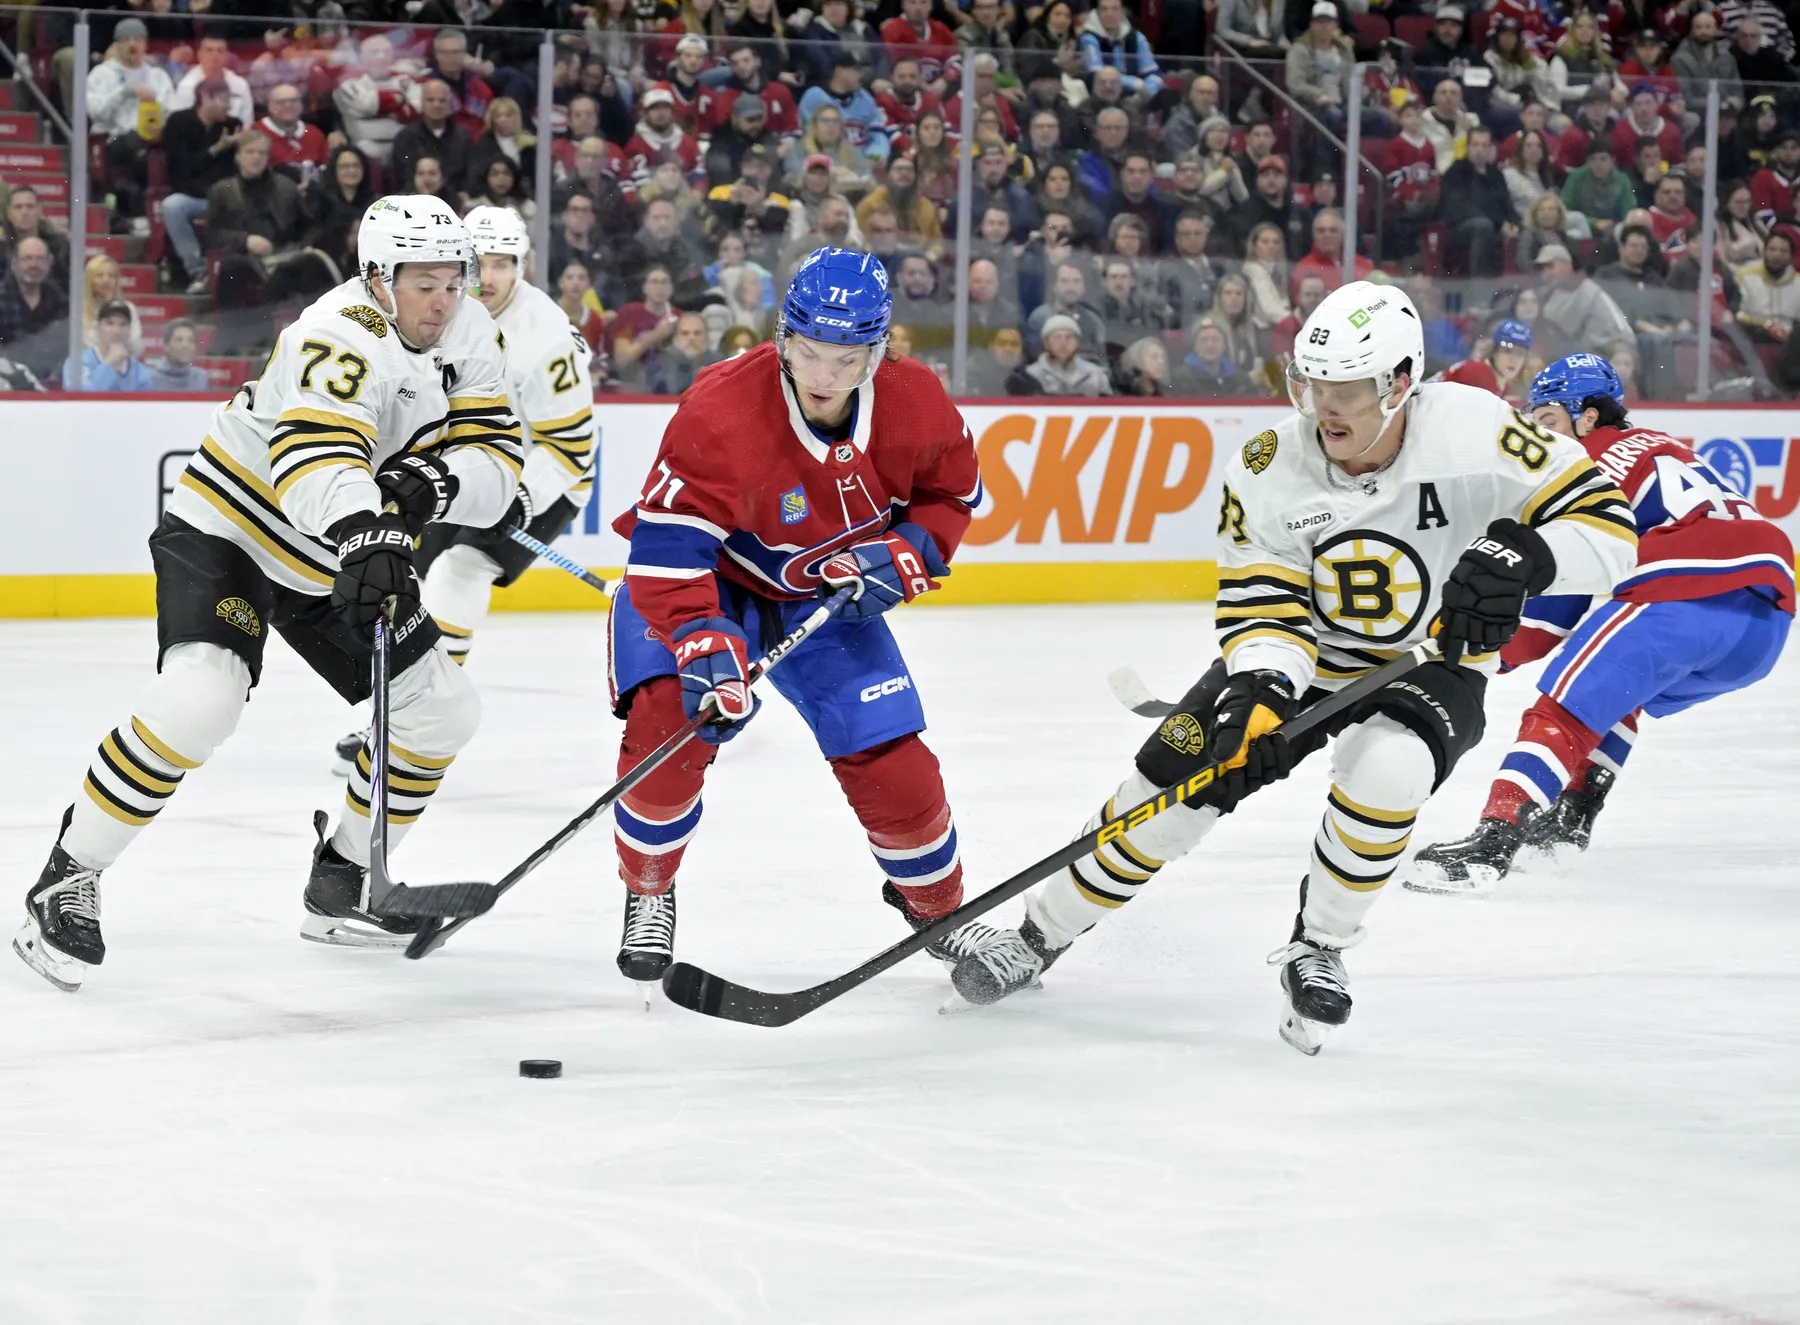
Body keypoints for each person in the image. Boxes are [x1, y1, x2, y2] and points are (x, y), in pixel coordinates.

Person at [949, 283, 1639, 1057]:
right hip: (1303, 654)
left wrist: (1529, 554)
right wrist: (1259, 692)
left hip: (1430, 662)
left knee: (1391, 773)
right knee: (1169, 789)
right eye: (1312, 386)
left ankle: (1322, 945)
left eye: (1345, 390)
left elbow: (1609, 525)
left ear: (1400, 383)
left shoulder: (1477, 430)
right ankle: (1041, 934)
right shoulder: (1268, 462)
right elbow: (1262, 599)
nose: (1323, 408)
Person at [13, 197, 525, 989]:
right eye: (425, 281)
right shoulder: (337, 332)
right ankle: (67, 874)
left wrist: (436, 479)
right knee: (202, 697)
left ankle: (343, 882)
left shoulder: (471, 333)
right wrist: (367, 528)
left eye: (454, 279)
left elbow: (499, 465)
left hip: (334, 555)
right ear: (378, 277)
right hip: (234, 529)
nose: (444, 298)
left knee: (443, 705)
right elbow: (313, 456)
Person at [603, 246, 1001, 986]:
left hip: (825, 597)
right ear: (784, 336)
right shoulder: (722, 409)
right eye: (808, 352)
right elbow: (667, 556)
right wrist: (699, 638)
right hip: (710, 588)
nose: (822, 377)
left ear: (877, 352)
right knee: (668, 726)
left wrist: (913, 547)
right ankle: (649, 888)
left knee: (896, 769)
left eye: (846, 360)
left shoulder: (915, 401)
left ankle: (938, 908)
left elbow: (954, 497)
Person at [1403, 355, 1792, 895]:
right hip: (1766, 620)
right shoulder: (1661, 444)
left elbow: (1556, 609)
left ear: (1587, 418)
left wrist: (1476, 652)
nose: (1540, 435)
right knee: (1615, 689)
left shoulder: (1583, 465)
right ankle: (1568, 824)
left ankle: (1493, 842)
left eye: (1548, 420)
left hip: (1686, 590)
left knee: (1562, 706)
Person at [404, 207, 597, 677]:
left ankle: (431, 700)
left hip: (545, 479)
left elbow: (571, 448)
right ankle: (399, 697)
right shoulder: (440, 310)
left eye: (502, 263)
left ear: (521, 266)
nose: (487, 277)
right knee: (409, 572)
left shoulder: (545, 339)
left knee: (460, 570)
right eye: (477, 262)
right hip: (471, 465)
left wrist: (523, 500)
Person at [162, 78, 247, 293]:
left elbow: (233, 172)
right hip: (191, 195)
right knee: (172, 206)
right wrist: (217, 148)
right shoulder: (178, 122)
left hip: (223, 195)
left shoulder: (232, 125)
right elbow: (179, 169)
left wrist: (241, 149)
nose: (227, 106)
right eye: (223, 100)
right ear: (205, 99)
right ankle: (198, 272)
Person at [87, 17, 175, 223]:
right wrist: (124, 93)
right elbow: (96, 113)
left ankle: (142, 212)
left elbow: (172, 112)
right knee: (132, 144)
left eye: (137, 39)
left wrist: (155, 104)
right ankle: (124, 209)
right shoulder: (101, 74)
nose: (132, 44)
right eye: (126, 39)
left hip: (152, 138)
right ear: (117, 45)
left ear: (145, 44)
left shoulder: (158, 76)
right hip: (112, 139)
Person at [1440, 127, 1521, 278]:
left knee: (1524, 229)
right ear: (1468, 147)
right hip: (1461, 230)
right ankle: (1480, 289)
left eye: (1484, 145)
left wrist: (1513, 223)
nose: (1479, 150)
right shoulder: (1456, 171)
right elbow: (1458, 208)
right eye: (1475, 145)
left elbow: (1507, 204)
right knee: (1483, 226)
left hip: (1493, 228)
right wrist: (1498, 223)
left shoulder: (1495, 174)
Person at [393, 81, 475, 211]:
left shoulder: (462, 137)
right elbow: (404, 176)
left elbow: (470, 173)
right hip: (415, 204)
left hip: (455, 204)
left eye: (442, 101)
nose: (437, 105)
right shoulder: (406, 137)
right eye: (430, 100)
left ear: (450, 104)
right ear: (422, 102)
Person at [0, 236, 69, 384]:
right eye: (27, 258)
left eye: (40, 259)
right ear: (14, 264)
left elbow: (64, 348)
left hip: (50, 382)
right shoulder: (2, 298)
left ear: (49, 264)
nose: (34, 264)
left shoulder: (59, 299)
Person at [63, 299, 152, 391]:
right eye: (109, 323)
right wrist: (109, 364)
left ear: (129, 330)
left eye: (123, 324)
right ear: (98, 327)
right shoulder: (77, 363)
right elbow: (82, 400)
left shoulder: (140, 371)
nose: (116, 330)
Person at [1434, 319, 1532, 398]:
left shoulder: (1504, 385)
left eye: (1520, 354)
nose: (1514, 360)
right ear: (1494, 351)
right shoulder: (1478, 373)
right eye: (1507, 351)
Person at [1021, 313, 1113, 394]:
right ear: (1046, 343)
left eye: (1069, 337)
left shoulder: (1096, 375)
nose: (1063, 343)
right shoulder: (1030, 376)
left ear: (1077, 342)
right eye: (1057, 338)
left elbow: (1110, 408)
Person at [1170, 317, 1250, 396]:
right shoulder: (1181, 379)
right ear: (1194, 346)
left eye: (1216, 339)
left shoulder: (1237, 376)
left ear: (1225, 345)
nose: (1210, 345)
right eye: (1203, 340)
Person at [146, 319, 211, 392]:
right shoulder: (149, 378)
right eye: (179, 340)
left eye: (190, 340)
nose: (185, 345)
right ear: (166, 345)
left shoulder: (201, 378)